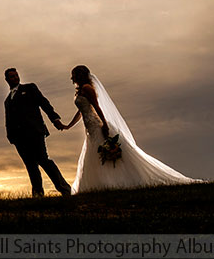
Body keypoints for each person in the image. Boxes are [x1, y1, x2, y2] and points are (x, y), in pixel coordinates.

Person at [63, 65, 199, 194]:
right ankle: (103, 184)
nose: (71, 78)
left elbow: (97, 107)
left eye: (73, 75)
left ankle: (118, 181)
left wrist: (104, 125)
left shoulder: (87, 88)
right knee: (95, 156)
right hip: (90, 130)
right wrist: (69, 125)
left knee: (106, 154)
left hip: (97, 126)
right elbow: (81, 111)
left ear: (80, 75)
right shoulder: (81, 91)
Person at [3, 68, 72, 197]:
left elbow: (44, 103)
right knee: (30, 166)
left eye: (16, 75)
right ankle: (38, 194)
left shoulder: (29, 88)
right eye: (12, 76)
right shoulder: (7, 100)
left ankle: (65, 189)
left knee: (43, 160)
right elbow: (8, 119)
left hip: (35, 132)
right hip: (19, 138)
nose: (15, 78)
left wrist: (55, 119)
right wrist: (10, 136)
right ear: (6, 79)